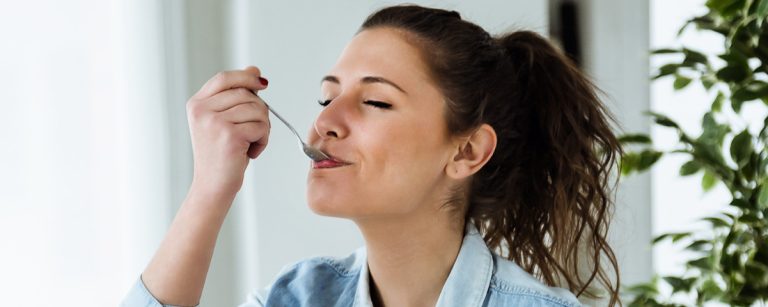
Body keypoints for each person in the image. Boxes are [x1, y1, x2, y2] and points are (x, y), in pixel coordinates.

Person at [122, 5, 622, 307]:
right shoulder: (296, 298)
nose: (326, 121)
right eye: (326, 97)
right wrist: (210, 187)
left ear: (467, 151)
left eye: (376, 101)